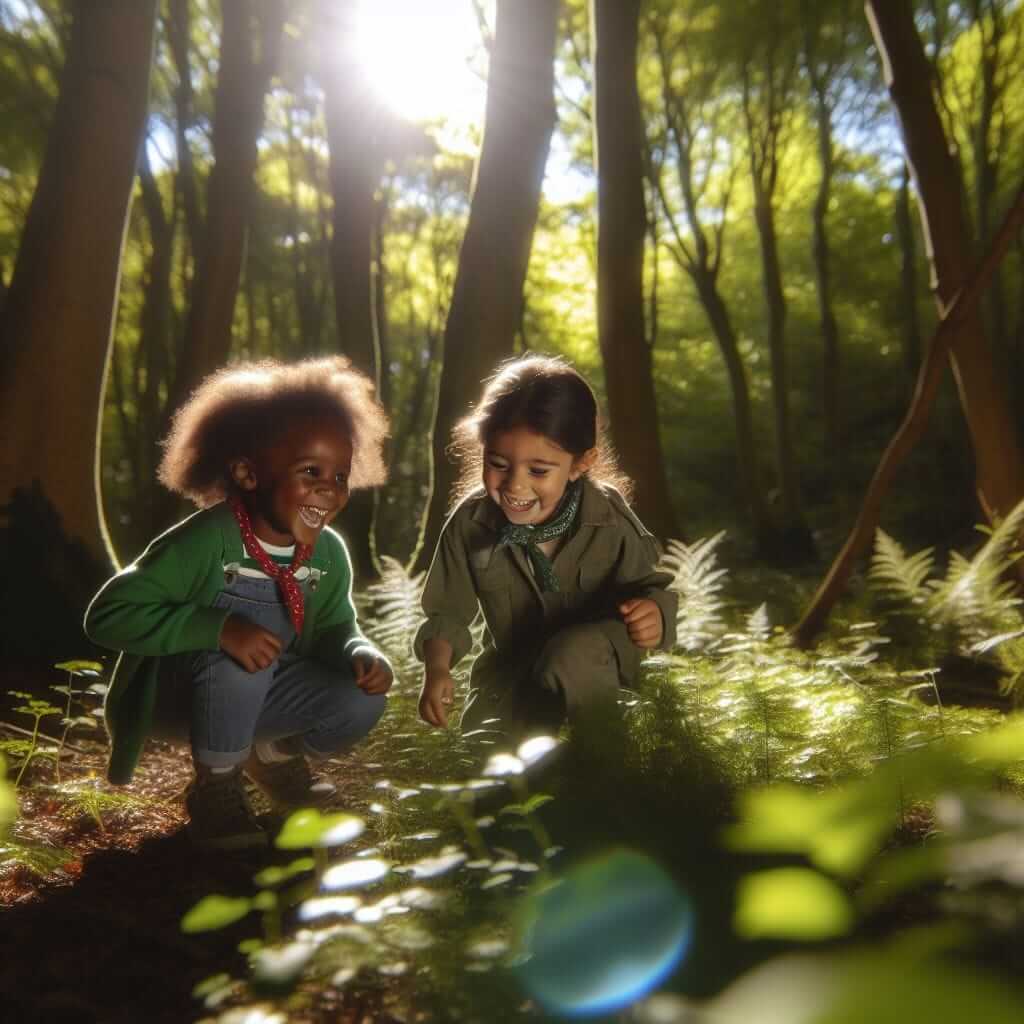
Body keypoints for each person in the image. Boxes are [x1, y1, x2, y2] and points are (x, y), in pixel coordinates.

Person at [85, 356, 394, 850]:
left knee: (363, 698)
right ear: (248, 474)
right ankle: (216, 784)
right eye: (310, 471)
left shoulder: (328, 553)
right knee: (242, 656)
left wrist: (357, 651)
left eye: (339, 476)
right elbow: (107, 615)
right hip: (180, 697)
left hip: (262, 693)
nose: (328, 490)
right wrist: (217, 628)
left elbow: (337, 624)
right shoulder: (206, 540)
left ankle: (269, 755)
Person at [416, 355, 678, 740]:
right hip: (513, 673)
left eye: (538, 471)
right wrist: (437, 669)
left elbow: (651, 588)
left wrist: (653, 613)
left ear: (580, 463)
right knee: (492, 766)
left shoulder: (608, 518)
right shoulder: (471, 524)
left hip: (599, 671)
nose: (514, 485)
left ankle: (604, 756)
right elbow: (447, 612)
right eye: (499, 463)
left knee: (571, 652)